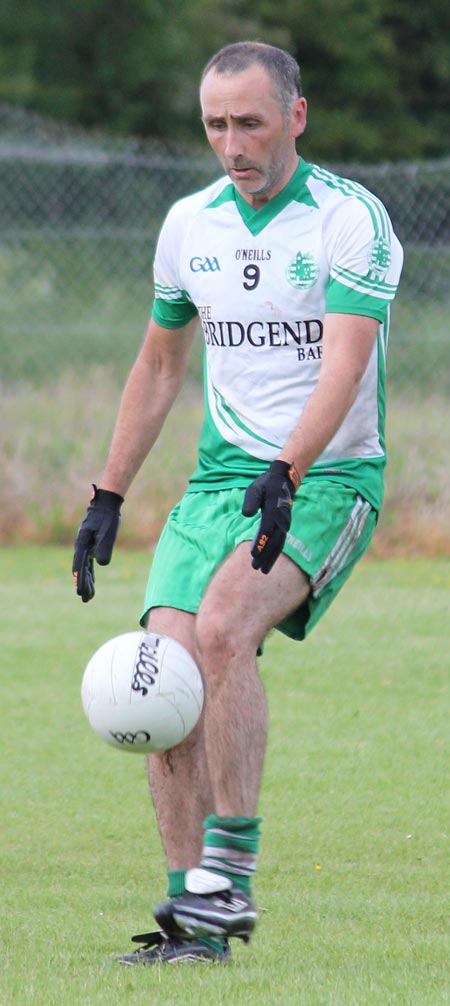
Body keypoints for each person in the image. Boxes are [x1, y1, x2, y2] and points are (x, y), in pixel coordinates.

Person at [73, 41, 404, 965]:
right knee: (162, 675)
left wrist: (291, 470)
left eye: (250, 122)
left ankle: (229, 894)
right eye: (216, 125)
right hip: (220, 483)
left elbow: (343, 363)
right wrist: (108, 492)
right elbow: (160, 364)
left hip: (329, 477)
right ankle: (189, 918)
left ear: (295, 116)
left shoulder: (350, 220)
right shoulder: (190, 225)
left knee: (222, 631)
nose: (233, 143)